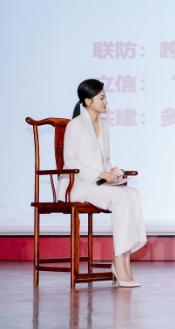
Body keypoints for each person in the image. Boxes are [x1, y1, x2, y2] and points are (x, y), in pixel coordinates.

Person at [59, 79, 147, 288]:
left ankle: (125, 259)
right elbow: (71, 161)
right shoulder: (75, 125)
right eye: (101, 97)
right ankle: (119, 262)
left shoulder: (105, 127)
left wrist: (114, 175)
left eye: (105, 97)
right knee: (120, 197)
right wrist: (99, 174)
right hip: (77, 185)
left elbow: (105, 161)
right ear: (88, 101)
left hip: (96, 184)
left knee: (132, 193)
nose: (106, 101)